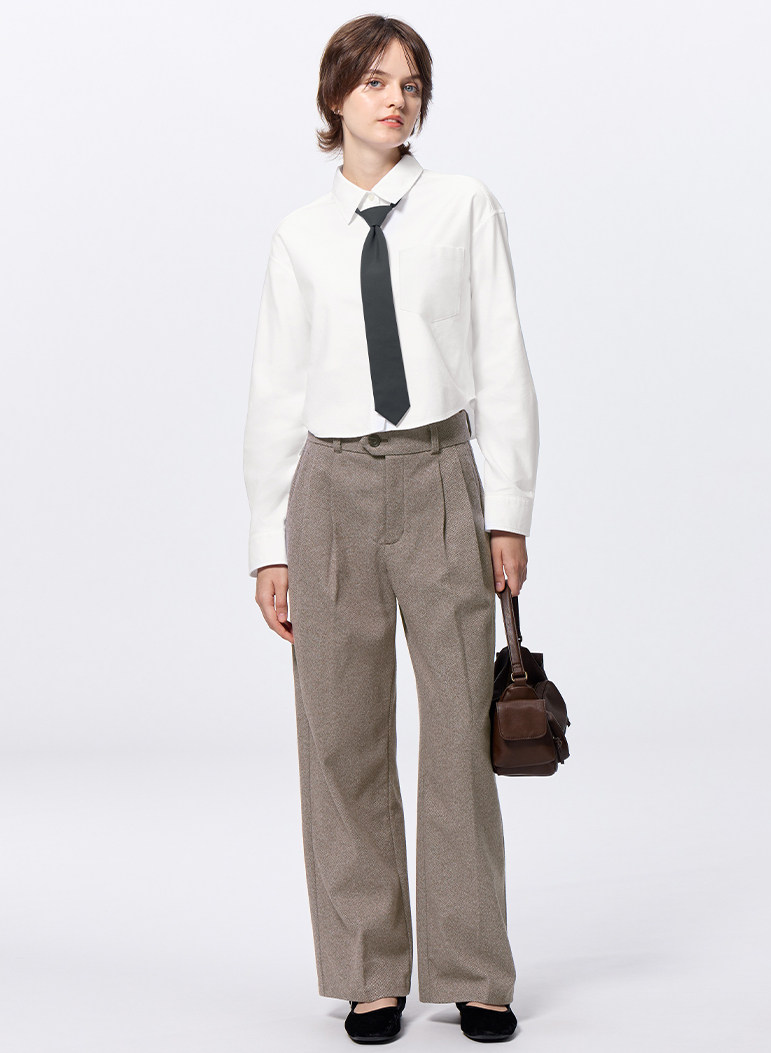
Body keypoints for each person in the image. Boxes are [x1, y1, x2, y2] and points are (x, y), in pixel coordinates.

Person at [243, 14, 539, 1045]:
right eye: (374, 81)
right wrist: (268, 540)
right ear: (336, 97)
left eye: (410, 83)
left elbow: (501, 361)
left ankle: (473, 968)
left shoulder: (463, 207)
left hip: (438, 476)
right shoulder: (300, 236)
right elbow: (276, 390)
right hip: (328, 492)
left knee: (460, 730)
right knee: (342, 739)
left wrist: (507, 511)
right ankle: (369, 971)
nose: (395, 99)